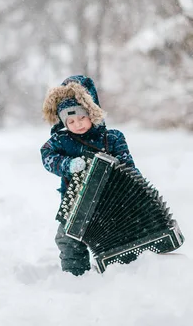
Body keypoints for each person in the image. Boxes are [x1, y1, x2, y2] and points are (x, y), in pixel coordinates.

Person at [40, 75, 139, 276]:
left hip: (111, 201)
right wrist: (67, 164)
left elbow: (128, 165)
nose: (77, 124)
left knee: (116, 236)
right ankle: (76, 276)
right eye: (71, 120)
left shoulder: (112, 138)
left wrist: (135, 188)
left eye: (82, 118)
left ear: (91, 113)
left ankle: (120, 273)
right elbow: (47, 156)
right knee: (68, 239)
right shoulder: (61, 140)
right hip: (76, 202)